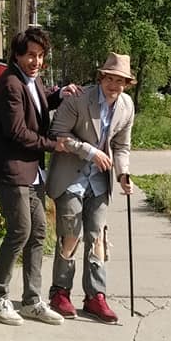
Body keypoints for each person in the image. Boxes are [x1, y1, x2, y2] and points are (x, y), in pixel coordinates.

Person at [0, 27, 80, 326]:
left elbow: (37, 104)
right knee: (20, 231)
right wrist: (53, 144)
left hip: (31, 170)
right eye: (30, 56)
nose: (36, 61)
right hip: (11, 170)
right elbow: (17, 132)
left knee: (38, 233)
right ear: (16, 55)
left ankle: (32, 301)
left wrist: (59, 95)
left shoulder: (31, 80)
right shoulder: (10, 84)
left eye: (40, 56)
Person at [46, 52, 136, 324]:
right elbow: (57, 134)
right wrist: (90, 152)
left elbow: (121, 146)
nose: (114, 85)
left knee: (97, 237)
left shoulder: (126, 107)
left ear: (126, 84)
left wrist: (123, 174)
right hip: (70, 176)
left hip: (99, 181)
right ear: (101, 77)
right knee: (71, 235)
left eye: (120, 81)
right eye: (110, 79)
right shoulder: (78, 99)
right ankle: (60, 292)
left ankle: (95, 296)